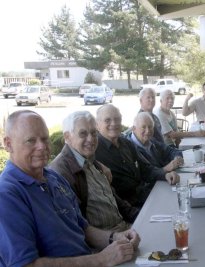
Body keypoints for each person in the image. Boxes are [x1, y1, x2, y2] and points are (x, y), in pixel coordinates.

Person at [0, 110, 140, 266]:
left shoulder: (53, 178)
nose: (42, 146)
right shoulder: (7, 194)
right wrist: (101, 259)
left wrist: (114, 238)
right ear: (8, 144)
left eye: (45, 138)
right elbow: (25, 264)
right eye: (30, 140)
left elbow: (83, 228)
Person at [50, 111, 139, 231]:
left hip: (125, 228)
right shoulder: (61, 172)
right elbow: (77, 227)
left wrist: (141, 216)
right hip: (107, 242)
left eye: (93, 133)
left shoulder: (90, 160)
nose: (90, 139)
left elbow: (114, 199)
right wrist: (113, 239)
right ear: (67, 137)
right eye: (83, 134)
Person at [95, 104, 180, 207]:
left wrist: (165, 174)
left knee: (180, 200)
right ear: (97, 125)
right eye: (107, 120)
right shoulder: (94, 151)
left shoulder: (127, 143)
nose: (114, 123)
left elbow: (146, 169)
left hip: (144, 197)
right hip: (127, 208)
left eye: (117, 119)